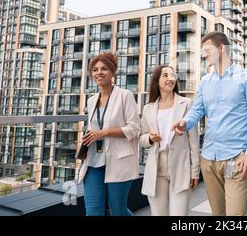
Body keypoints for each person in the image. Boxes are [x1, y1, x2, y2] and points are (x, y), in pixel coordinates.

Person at [173, 31, 247, 216]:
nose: (203, 54)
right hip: (208, 158)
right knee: (218, 214)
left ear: (221, 48)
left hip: (236, 157)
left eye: (206, 50)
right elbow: (198, 109)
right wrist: (185, 121)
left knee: (235, 215)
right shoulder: (205, 81)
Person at [78, 52, 140, 216]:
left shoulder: (124, 96)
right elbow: (95, 126)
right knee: (93, 212)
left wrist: (104, 133)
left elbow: (134, 128)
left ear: (112, 72)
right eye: (95, 69)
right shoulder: (91, 101)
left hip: (118, 160)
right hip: (93, 162)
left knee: (118, 211)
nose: (99, 72)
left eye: (104, 68)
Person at [139, 65, 200, 216]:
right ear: (157, 80)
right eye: (165, 75)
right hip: (156, 168)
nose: (170, 78)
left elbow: (194, 141)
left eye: (173, 76)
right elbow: (140, 139)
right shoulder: (148, 108)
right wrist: (150, 139)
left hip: (180, 167)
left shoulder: (186, 103)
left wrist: (195, 172)